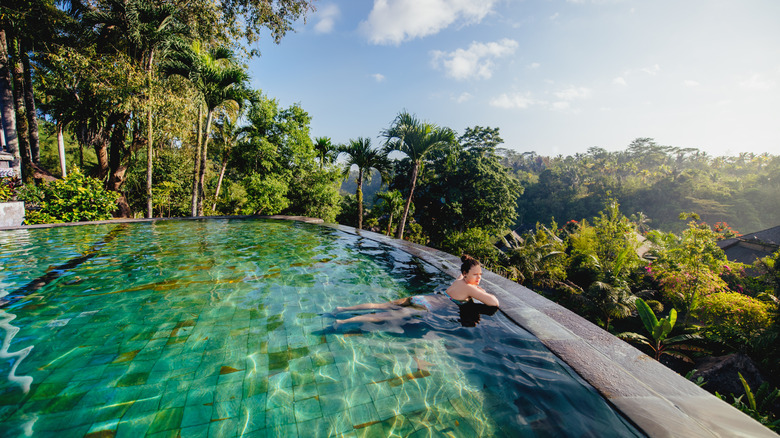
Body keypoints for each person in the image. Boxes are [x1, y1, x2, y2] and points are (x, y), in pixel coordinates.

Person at [333, 254, 499, 326]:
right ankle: (342, 322)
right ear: (465, 273)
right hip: (425, 306)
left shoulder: (459, 280)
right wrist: (481, 291)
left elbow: (462, 280)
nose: (478, 278)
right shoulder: (471, 288)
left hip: (420, 298)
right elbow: (494, 303)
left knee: (382, 305)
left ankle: (342, 309)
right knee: (383, 316)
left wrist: (474, 283)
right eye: (475, 274)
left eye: (480, 275)